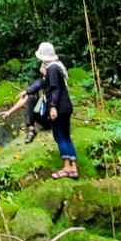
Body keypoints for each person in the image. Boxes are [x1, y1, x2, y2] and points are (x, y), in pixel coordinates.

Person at [35, 41, 77, 179]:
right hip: (66, 107)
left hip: (59, 108)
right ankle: (73, 167)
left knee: (60, 136)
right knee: (66, 135)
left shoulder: (52, 69)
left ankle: (66, 168)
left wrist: (52, 107)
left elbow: (54, 89)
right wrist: (44, 76)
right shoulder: (57, 67)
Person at [0, 62, 49, 143]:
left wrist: (27, 91)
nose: (42, 65)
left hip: (53, 119)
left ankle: (32, 130)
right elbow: (26, 98)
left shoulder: (52, 81)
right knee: (31, 98)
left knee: (31, 96)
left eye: (44, 65)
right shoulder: (40, 82)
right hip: (45, 118)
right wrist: (9, 112)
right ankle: (31, 130)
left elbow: (39, 84)